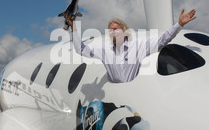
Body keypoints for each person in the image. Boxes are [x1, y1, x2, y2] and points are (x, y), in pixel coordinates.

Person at [66, 8, 196, 83]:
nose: (113, 32)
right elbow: (80, 49)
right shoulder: (105, 50)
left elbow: (163, 39)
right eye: (110, 30)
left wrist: (179, 24)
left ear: (124, 31)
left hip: (133, 95)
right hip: (115, 95)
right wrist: (73, 27)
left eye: (116, 29)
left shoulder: (138, 46)